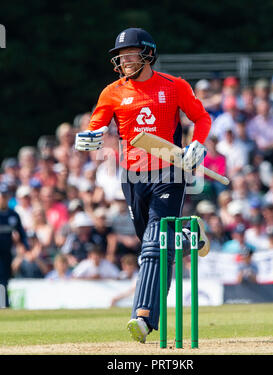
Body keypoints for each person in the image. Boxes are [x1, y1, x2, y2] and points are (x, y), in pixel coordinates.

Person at [74, 27, 212, 344]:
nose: (124, 60)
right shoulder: (111, 92)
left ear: (148, 53)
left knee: (153, 244)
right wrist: (89, 140)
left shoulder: (174, 87)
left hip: (170, 171)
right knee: (159, 250)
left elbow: (201, 119)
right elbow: (94, 129)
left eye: (130, 54)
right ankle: (191, 235)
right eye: (120, 56)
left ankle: (143, 318)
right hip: (132, 177)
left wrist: (197, 146)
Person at [0, 183, 29, 306]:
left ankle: (3, 304)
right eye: (2, 195)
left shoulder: (13, 215)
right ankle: (3, 304)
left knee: (5, 279)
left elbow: (21, 234)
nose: (3, 198)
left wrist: (25, 248)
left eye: (5, 195)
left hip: (7, 254)